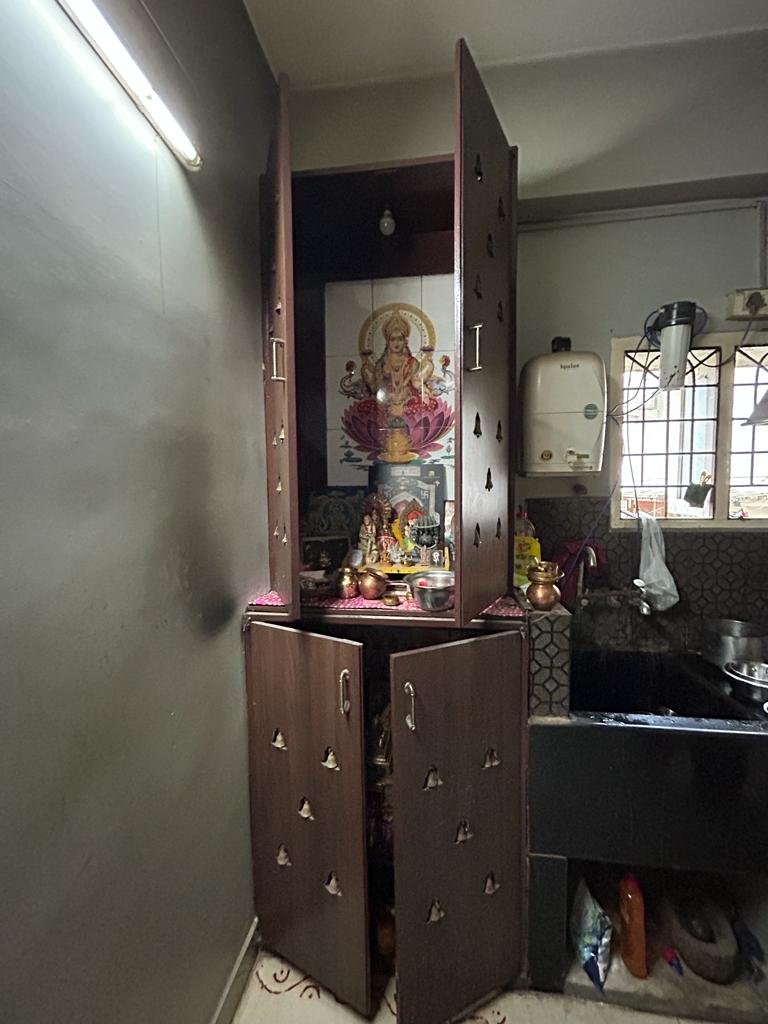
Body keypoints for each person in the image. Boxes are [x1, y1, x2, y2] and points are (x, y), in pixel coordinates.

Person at [361, 311, 434, 417]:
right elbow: (376, 387)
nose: (396, 343)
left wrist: (423, 389)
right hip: (387, 404)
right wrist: (366, 371)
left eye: (400, 339)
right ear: (388, 342)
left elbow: (416, 381)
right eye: (393, 340)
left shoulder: (411, 362)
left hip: (408, 402)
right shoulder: (382, 363)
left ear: (405, 342)